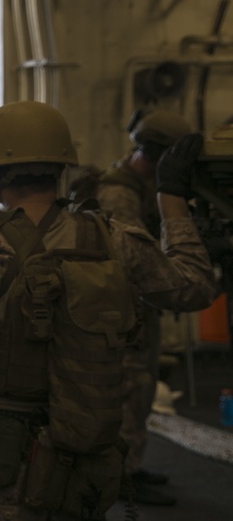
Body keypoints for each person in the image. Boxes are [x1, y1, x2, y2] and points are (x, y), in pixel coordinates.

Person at [0, 101, 215, 521]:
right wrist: (172, 202)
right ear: (61, 168)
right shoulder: (112, 237)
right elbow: (194, 287)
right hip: (81, 457)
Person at [94, 108, 193, 506]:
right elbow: (130, 262)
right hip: (123, 314)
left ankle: (129, 466)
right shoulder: (119, 193)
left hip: (136, 311)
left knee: (141, 390)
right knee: (130, 393)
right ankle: (120, 475)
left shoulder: (137, 188)